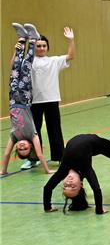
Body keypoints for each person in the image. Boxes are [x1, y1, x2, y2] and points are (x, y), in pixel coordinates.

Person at [42, 134, 110, 215]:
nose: (69, 182)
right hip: (96, 144)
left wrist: (47, 207)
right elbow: (96, 189)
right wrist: (99, 210)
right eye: (72, 186)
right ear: (81, 184)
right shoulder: (85, 168)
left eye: (66, 185)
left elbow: (47, 188)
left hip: (86, 144)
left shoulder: (63, 170)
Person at [1, 23, 52, 175]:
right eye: (26, 149)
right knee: (26, 65)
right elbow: (41, 154)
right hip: (24, 99)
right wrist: (47, 170)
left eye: (20, 149)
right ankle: (33, 39)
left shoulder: (14, 136)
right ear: (30, 147)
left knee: (16, 67)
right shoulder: (32, 135)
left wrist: (3, 170)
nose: (22, 146)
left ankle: (22, 38)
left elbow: (5, 154)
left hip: (12, 99)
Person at [26, 26, 75, 170]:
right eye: (38, 46)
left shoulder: (54, 61)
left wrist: (71, 40)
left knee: (54, 129)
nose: (41, 48)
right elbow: (14, 65)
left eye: (43, 46)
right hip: (34, 101)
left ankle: (60, 157)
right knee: (34, 131)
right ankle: (33, 158)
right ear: (34, 48)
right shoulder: (29, 62)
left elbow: (70, 55)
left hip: (52, 99)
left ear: (47, 48)